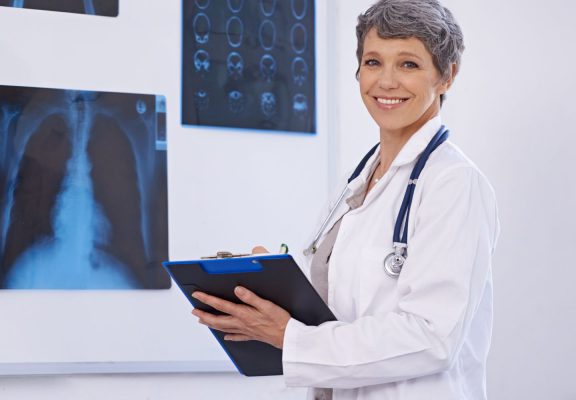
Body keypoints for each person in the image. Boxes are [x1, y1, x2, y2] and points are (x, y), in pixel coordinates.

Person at [190, 0, 500, 399]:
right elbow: (341, 311)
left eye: (408, 64)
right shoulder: (359, 182)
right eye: (373, 62)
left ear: (447, 76)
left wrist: (292, 338)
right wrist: (269, 292)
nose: (386, 82)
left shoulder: (453, 183)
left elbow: (432, 337)